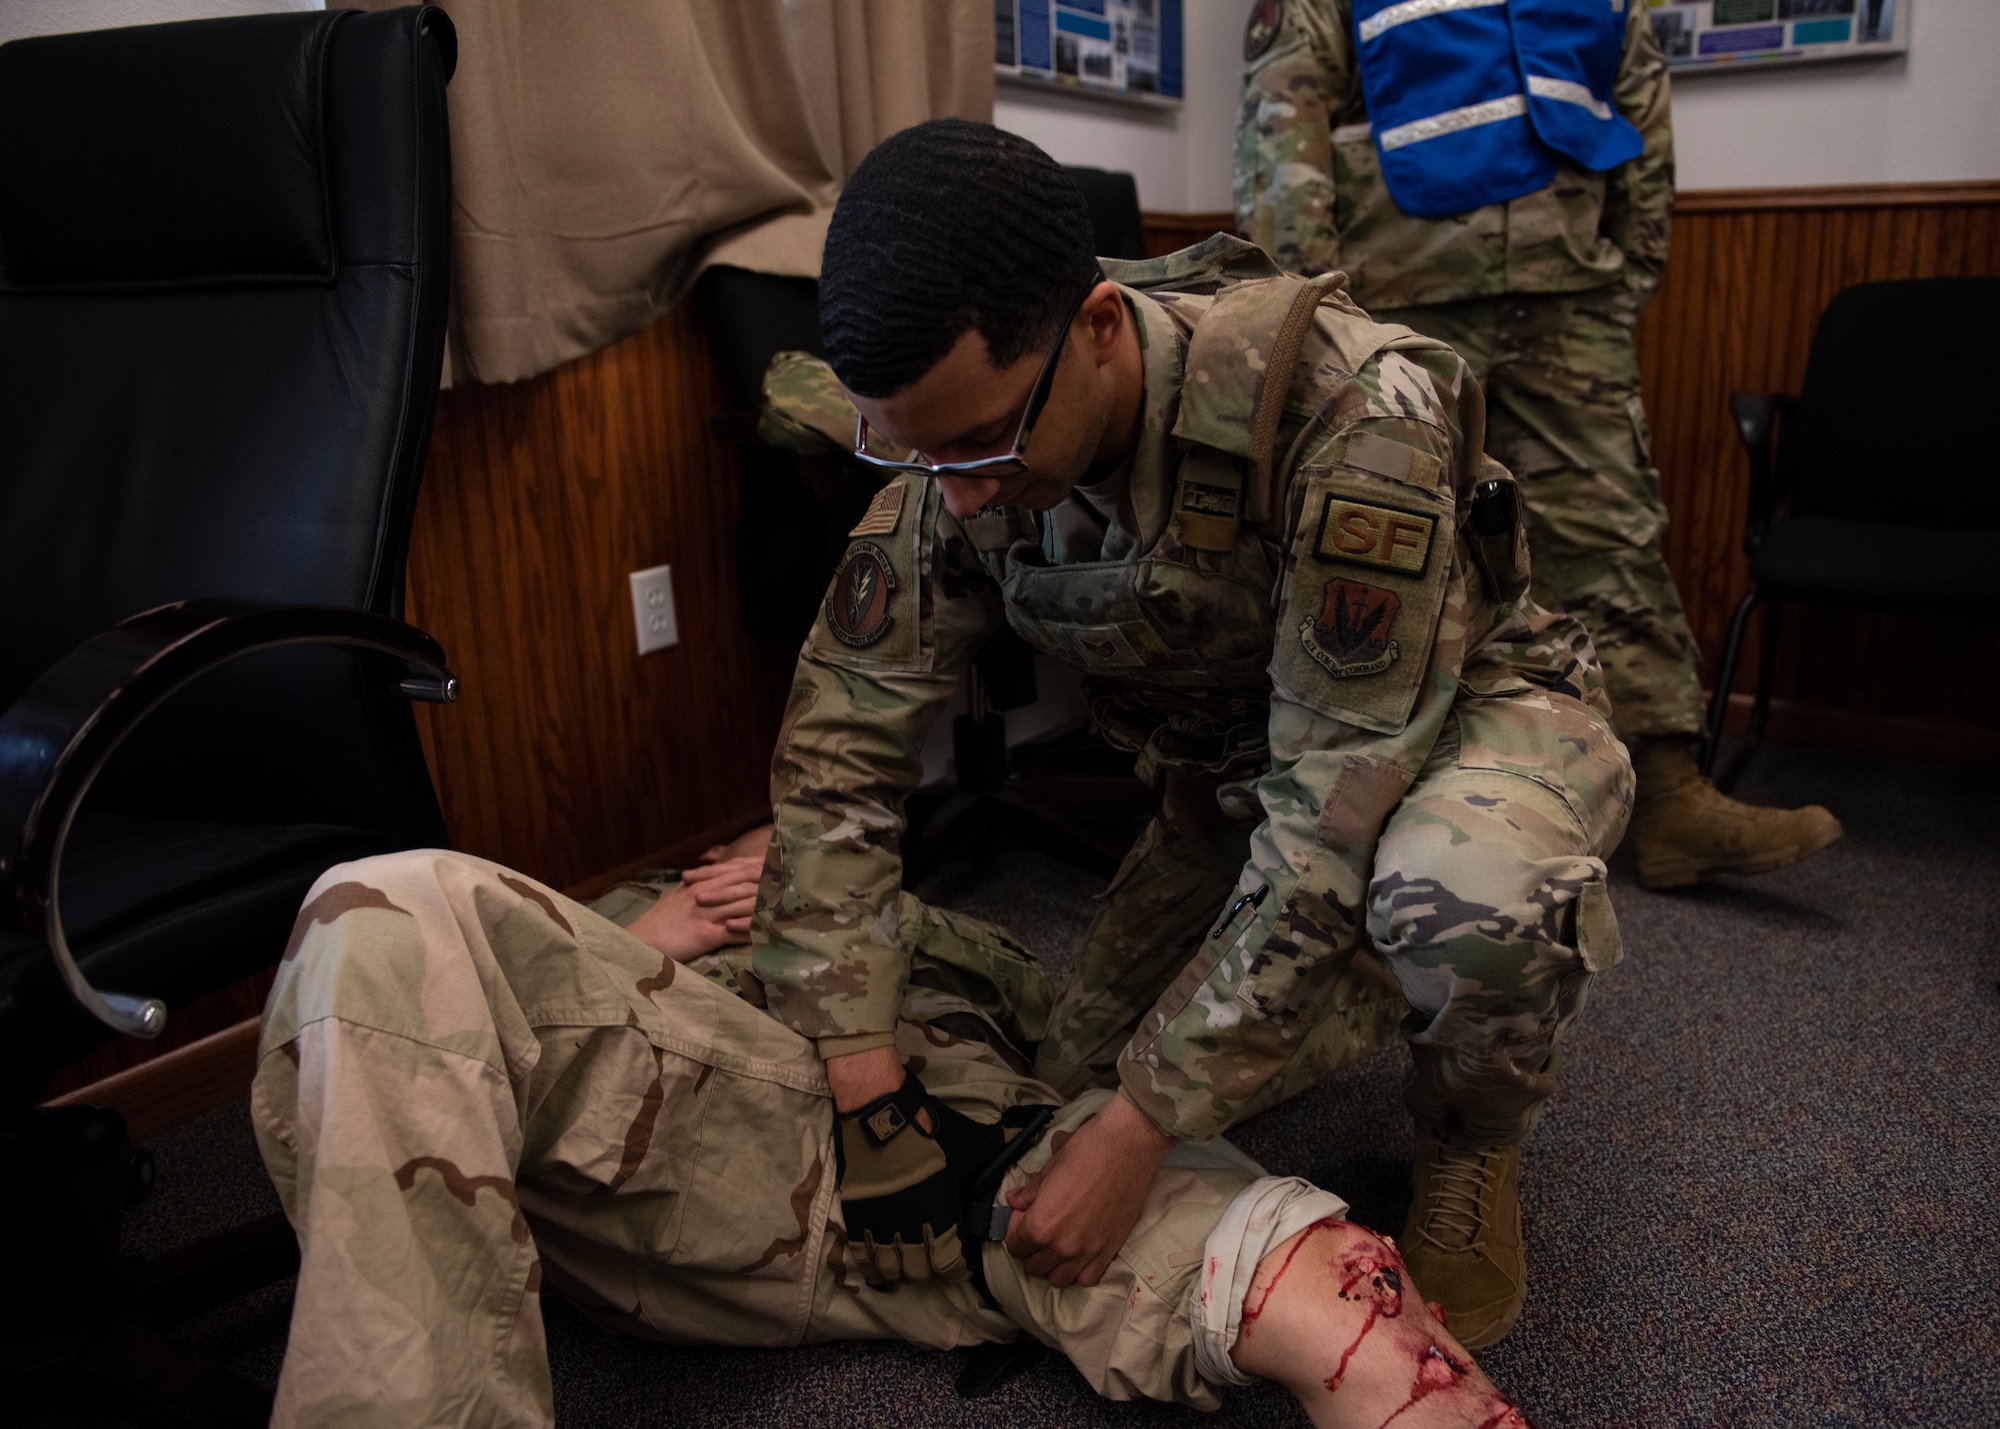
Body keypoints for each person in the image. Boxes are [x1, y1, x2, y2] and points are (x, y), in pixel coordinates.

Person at [750, 119, 1631, 1349]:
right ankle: (1357, 978)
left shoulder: (1352, 415)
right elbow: (837, 752)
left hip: (1464, 724)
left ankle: (1468, 1136)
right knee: (1064, 1081)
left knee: (1456, 900)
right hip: (1239, 770)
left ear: (1099, 326)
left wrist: (1141, 1127)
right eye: (910, 451)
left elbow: (1329, 814)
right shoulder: (959, 445)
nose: (953, 494)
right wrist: (858, 1073)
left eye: (979, 446)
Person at [255, 844, 1534, 1428]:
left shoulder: (910, 929)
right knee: (384, 909)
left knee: (1331, 1284)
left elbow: (1035, 1014)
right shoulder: (603, 921)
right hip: (669, 1147)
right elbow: (448, 1025)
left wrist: (865, 923)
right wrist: (640, 950)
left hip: (967, 1173)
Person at [1234, 0, 1840, 892]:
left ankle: (1670, 795)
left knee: (1614, 531)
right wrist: (1324, 309)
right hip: (1401, 292)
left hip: (1569, 296)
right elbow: (1284, 124)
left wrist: (1623, 273)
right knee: (1383, 541)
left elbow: (1640, 104)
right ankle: (1343, 815)